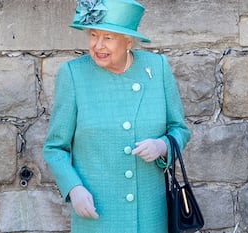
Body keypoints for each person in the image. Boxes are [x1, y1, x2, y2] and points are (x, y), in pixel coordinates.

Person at [43, 0, 191, 232]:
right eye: (93, 35)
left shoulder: (158, 68)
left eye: (108, 37)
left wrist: (162, 146)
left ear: (128, 41)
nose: (98, 45)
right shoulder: (73, 75)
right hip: (97, 216)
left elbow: (179, 129)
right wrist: (73, 188)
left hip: (150, 217)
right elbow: (55, 147)